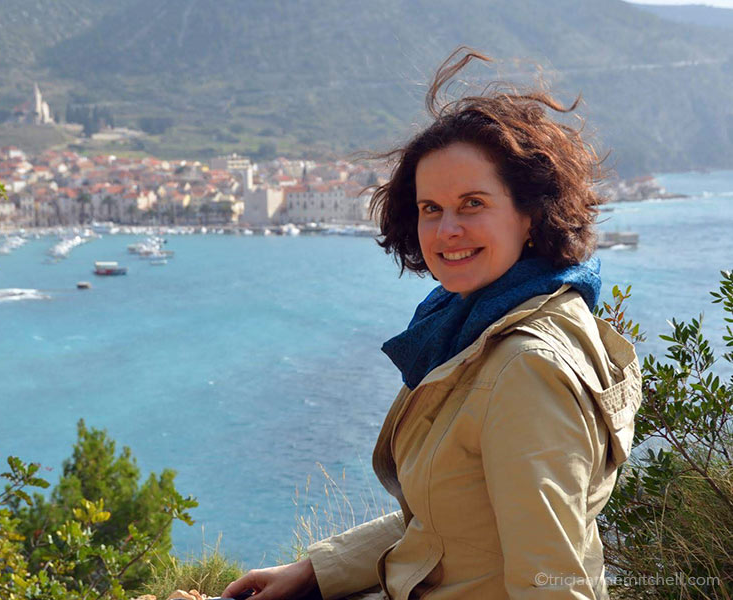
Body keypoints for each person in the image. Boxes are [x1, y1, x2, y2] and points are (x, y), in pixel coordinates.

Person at [222, 48, 642, 600]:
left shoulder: (525, 368)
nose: (447, 231)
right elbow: (455, 522)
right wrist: (316, 571)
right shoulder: (479, 324)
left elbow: (553, 584)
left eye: (472, 203)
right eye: (430, 208)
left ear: (530, 213)